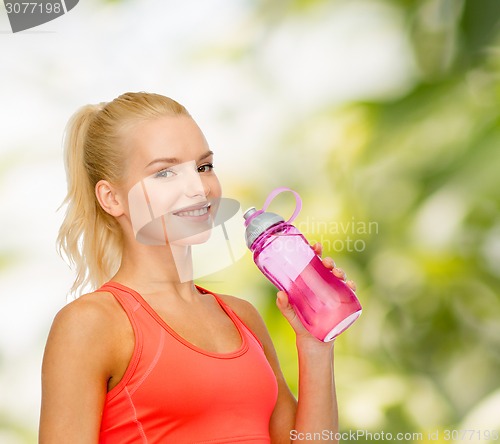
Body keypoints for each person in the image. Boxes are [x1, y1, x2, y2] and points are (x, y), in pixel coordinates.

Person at [39, 92, 356, 444]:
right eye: (165, 172)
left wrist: (315, 347)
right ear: (112, 198)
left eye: (203, 167)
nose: (198, 188)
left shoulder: (241, 317)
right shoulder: (91, 324)